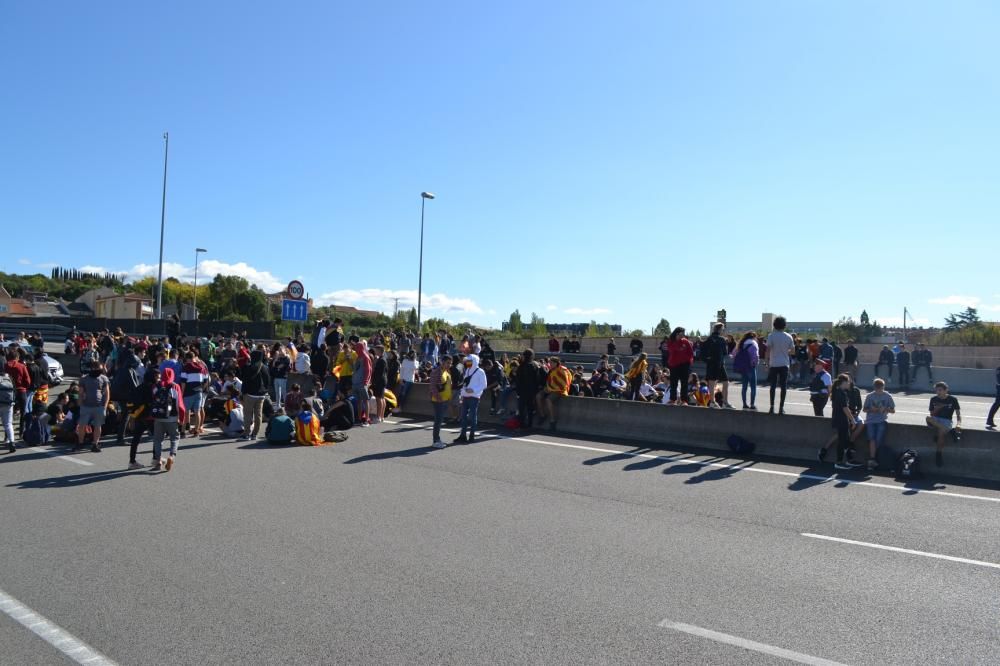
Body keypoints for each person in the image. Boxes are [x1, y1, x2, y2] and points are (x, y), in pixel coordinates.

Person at [150, 367, 187, 472]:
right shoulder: (175, 387)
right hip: (172, 417)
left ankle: (158, 461)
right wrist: (181, 418)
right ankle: (171, 456)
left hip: (158, 417)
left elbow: (153, 400)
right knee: (174, 438)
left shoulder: (156, 386)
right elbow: (179, 405)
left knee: (158, 439)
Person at [825, 375, 862, 470]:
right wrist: (853, 420)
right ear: (844, 383)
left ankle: (850, 460)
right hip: (841, 420)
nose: (849, 383)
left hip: (840, 419)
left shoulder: (839, 392)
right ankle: (839, 462)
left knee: (846, 440)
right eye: (848, 382)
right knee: (842, 441)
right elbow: (845, 408)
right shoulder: (840, 393)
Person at [77, 361, 111, 452]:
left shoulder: (104, 378)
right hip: (86, 406)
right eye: (96, 369)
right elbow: (80, 393)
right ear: (91, 369)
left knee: (97, 425)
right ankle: (80, 443)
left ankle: (95, 444)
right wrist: (80, 404)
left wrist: (105, 406)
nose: (98, 371)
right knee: (82, 425)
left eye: (99, 369)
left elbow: (107, 393)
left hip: (99, 406)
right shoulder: (84, 379)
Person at [862, 378, 895, 470]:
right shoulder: (870, 396)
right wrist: (872, 410)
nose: (879, 390)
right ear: (874, 387)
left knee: (878, 440)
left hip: (881, 420)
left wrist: (885, 409)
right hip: (871, 421)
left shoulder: (887, 396)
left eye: (880, 388)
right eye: (877, 388)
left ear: (883, 387)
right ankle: (872, 459)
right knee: (872, 439)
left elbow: (893, 410)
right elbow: (864, 409)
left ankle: (873, 459)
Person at [453, 354, 487, 444]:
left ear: (474, 361)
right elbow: (465, 383)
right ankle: (463, 436)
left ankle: (472, 436)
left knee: (472, 417)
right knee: (463, 417)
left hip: (474, 397)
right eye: (467, 361)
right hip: (465, 396)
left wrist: (473, 390)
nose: (467, 363)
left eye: (469, 361)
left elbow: (484, 385)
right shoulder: (467, 370)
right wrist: (463, 391)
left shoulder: (480, 371)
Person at [926, 382, 961, 467]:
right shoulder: (933, 399)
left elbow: (958, 414)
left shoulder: (953, 399)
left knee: (941, 432)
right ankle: (951, 431)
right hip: (935, 420)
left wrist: (958, 424)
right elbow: (932, 414)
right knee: (928, 418)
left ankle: (938, 454)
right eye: (937, 390)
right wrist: (938, 408)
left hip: (947, 420)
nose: (938, 392)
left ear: (946, 390)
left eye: (940, 390)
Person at [765, 316, 795, 414]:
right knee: (783, 386)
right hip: (785, 364)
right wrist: (786, 351)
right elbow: (793, 351)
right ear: (784, 325)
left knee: (772, 386)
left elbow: (768, 350)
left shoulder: (771, 335)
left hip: (774, 364)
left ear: (774, 325)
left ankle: (771, 407)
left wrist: (766, 363)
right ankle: (781, 408)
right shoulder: (788, 336)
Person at [238, 350, 271, 441]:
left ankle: (246, 434)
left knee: (248, 414)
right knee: (258, 415)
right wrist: (265, 390)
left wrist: (243, 392)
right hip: (261, 395)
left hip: (250, 394)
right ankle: (254, 434)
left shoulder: (249, 367)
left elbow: (245, 381)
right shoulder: (265, 367)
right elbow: (268, 381)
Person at [702, 323, 733, 409]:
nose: (723, 331)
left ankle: (712, 402)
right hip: (720, 364)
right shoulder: (722, 339)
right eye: (723, 329)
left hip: (711, 364)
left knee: (711, 383)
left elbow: (702, 352)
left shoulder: (708, 339)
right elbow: (725, 353)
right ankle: (725, 402)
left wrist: (708, 360)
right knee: (726, 383)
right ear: (719, 330)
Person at [537, 357, 573, 431]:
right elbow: (549, 381)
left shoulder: (562, 370)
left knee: (548, 400)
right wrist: (548, 388)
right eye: (550, 363)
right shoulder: (551, 370)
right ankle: (542, 415)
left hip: (560, 390)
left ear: (556, 363)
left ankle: (552, 421)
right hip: (550, 388)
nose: (550, 364)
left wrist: (551, 389)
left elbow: (564, 383)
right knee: (538, 396)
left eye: (552, 363)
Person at [180, 351, 209, 437]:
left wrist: (182, 393)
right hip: (199, 392)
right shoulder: (202, 367)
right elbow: (206, 381)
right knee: (197, 412)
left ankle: (182, 432)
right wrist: (201, 389)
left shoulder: (185, 367)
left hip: (188, 392)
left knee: (186, 412)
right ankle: (196, 430)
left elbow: (183, 382)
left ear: (187, 358)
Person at [731, 331, 759, 410]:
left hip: (743, 368)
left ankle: (744, 404)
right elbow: (756, 356)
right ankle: (752, 404)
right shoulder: (753, 344)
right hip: (750, 367)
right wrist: (755, 364)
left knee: (744, 387)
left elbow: (733, 354)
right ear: (753, 337)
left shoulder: (741, 343)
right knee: (753, 386)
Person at [666, 328, 694, 405]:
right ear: (676, 334)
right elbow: (672, 350)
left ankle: (684, 400)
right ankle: (673, 399)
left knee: (684, 383)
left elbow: (691, 352)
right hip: (674, 365)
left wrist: (687, 360)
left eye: (683, 334)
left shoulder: (685, 341)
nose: (682, 336)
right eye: (680, 334)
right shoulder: (671, 341)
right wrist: (678, 343)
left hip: (684, 365)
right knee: (673, 383)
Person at [515, 349, 543, 427]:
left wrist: (518, 391)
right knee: (530, 408)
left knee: (522, 408)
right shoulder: (535, 365)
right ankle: (529, 424)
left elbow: (518, 380)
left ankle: (522, 424)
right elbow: (537, 379)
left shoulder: (521, 366)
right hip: (532, 391)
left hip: (523, 391)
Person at [429, 356, 453, 448]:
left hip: (445, 400)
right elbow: (432, 387)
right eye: (447, 362)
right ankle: (436, 441)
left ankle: (437, 440)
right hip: (438, 401)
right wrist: (438, 398)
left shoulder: (446, 372)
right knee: (438, 421)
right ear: (442, 362)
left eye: (450, 363)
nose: (449, 365)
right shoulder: (436, 372)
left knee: (440, 420)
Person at [352, 341, 372, 426]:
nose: (355, 349)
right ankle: (360, 419)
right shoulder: (358, 357)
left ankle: (366, 420)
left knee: (365, 401)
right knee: (359, 401)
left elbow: (369, 370)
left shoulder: (365, 357)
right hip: (356, 383)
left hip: (362, 383)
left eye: (357, 348)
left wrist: (366, 381)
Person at [371, 345, 388, 424]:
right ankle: (381, 416)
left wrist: (374, 382)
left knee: (379, 399)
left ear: (380, 351)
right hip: (382, 381)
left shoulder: (381, 360)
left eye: (376, 350)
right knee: (382, 398)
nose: (375, 351)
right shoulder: (382, 359)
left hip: (380, 381)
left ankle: (378, 417)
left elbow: (379, 373)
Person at [0, 359, 15, 452]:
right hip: (9, 404)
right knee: (8, 424)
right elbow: (14, 391)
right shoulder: (8, 377)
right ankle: (12, 442)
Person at [987, 364, 1000, 430]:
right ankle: (989, 420)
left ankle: (989, 420)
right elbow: (999, 380)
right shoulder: (999, 369)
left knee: (997, 405)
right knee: (997, 404)